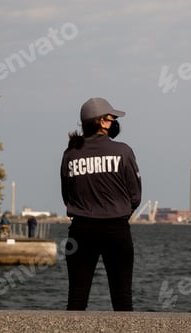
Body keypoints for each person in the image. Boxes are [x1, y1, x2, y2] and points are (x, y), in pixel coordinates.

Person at [60, 97, 142, 311]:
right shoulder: (124, 151)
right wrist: (119, 212)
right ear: (103, 122)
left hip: (80, 231)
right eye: (112, 118)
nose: (115, 121)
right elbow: (136, 196)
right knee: (123, 299)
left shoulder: (70, 155)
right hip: (117, 230)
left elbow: (67, 196)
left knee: (76, 300)